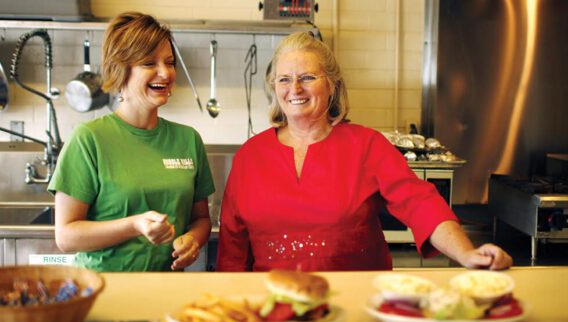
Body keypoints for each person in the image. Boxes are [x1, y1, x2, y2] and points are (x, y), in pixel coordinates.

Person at [216, 31, 512, 272]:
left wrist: (467, 254)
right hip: (273, 304)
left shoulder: (366, 145)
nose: (295, 88)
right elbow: (232, 245)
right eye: (284, 79)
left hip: (358, 302)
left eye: (307, 77)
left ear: (331, 85)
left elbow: (420, 203)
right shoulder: (250, 156)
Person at [48, 12, 215, 272]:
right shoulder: (89, 140)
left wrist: (193, 240)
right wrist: (133, 225)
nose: (165, 73)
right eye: (149, 63)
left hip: (168, 291)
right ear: (120, 68)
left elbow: (201, 219)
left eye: (169, 62)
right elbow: (66, 237)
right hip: (105, 291)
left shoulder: (188, 140)